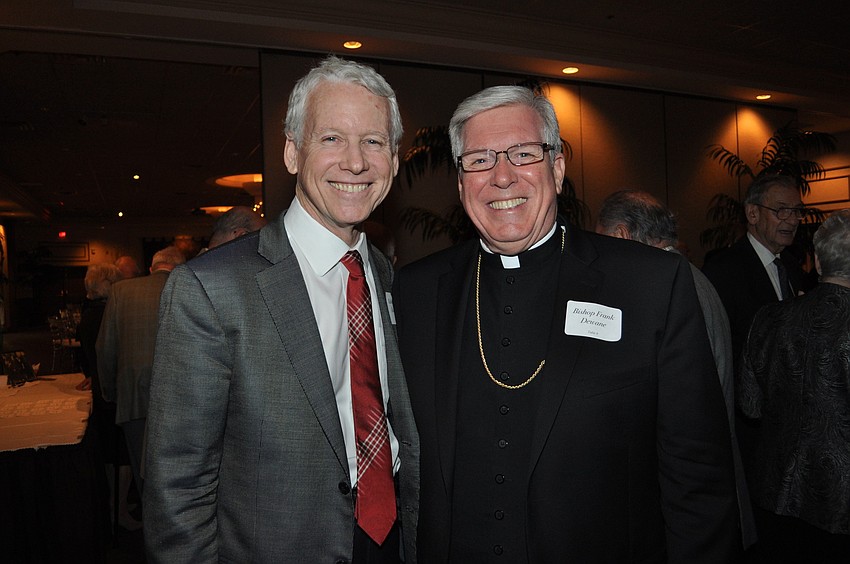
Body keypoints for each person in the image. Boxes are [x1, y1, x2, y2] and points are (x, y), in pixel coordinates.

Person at [393, 86, 738, 562]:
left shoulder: (650, 284)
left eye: (523, 153)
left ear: (556, 170)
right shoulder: (414, 291)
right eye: (479, 160)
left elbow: (697, 475)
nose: (501, 176)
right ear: (460, 182)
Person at [143, 56, 419, 564]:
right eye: (331, 138)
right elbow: (178, 485)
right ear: (293, 152)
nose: (356, 162)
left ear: (394, 160)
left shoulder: (388, 277)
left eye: (374, 141)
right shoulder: (210, 289)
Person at [596, 188, 757, 548]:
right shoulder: (688, 276)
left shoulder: (667, 288)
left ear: (621, 235)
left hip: (691, 492)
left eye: (602, 241)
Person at [738, 209, 850, 563]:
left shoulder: (770, 317)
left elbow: (750, 406)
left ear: (817, 261)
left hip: (774, 493)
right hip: (842, 504)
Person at [96, 245, 186, 497]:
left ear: (151, 268)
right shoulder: (189, 288)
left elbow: (105, 347)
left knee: (143, 477)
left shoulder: (121, 291)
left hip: (133, 394)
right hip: (180, 398)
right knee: (178, 476)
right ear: (180, 268)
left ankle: (149, 517)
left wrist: (110, 392)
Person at [702, 174, 806, 368]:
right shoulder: (724, 270)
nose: (793, 220)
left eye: (797, 211)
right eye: (782, 210)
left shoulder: (792, 266)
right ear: (752, 214)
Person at [76, 262, 142, 532]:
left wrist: (94, 374)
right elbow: (110, 354)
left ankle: (115, 507)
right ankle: (119, 511)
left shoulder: (88, 313)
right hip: (112, 391)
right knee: (121, 455)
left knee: (112, 453)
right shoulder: (105, 314)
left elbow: (90, 355)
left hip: (101, 388)